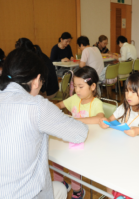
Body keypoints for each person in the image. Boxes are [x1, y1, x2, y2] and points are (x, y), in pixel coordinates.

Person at [0, 48, 89, 199]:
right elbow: (80, 133)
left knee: (58, 187)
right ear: (37, 79)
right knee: (59, 189)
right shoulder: (36, 106)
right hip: (23, 195)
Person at [99, 72, 139, 198]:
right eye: (126, 91)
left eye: (133, 92)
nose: (128, 95)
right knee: (110, 168)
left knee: (130, 178)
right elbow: (109, 119)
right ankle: (111, 194)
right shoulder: (124, 107)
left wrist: (138, 131)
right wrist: (104, 122)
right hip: (123, 151)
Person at [54, 66, 104, 199]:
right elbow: (59, 105)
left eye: (81, 86)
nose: (77, 90)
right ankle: (60, 184)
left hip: (88, 142)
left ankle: (78, 191)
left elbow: (99, 118)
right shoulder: (75, 98)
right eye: (75, 86)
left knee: (73, 163)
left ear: (92, 86)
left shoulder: (96, 103)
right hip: (73, 138)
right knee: (56, 158)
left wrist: (75, 119)